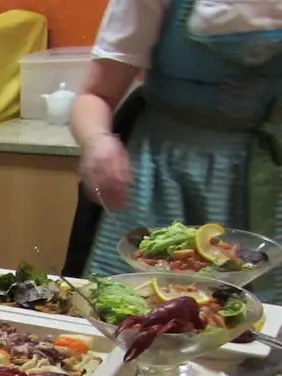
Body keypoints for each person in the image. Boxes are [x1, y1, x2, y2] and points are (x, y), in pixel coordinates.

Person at [71, 0, 282, 301]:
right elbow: (95, 94)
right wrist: (97, 142)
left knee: (261, 317)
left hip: (269, 180)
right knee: (142, 308)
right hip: (165, 179)